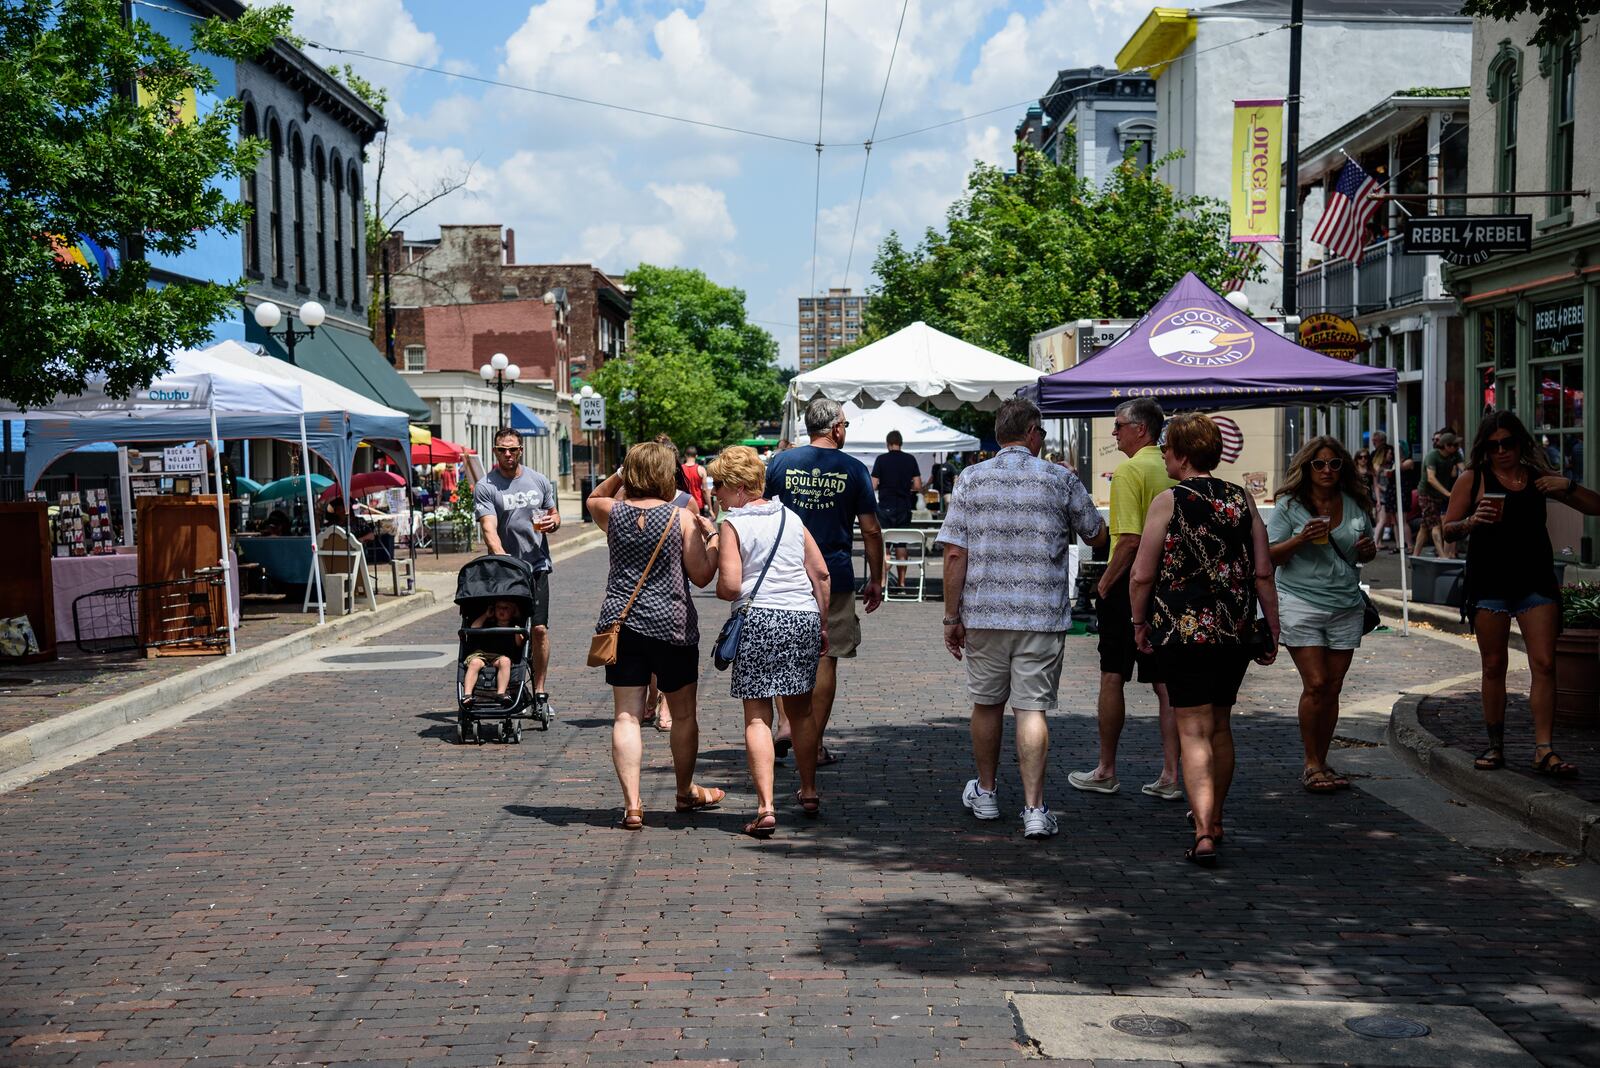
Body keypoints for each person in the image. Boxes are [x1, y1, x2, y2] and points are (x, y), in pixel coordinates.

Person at [939, 398, 1107, 840]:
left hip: (985, 612)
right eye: (1043, 433)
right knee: (1031, 710)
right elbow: (1097, 533)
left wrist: (950, 616)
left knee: (986, 704)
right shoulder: (1058, 478)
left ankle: (988, 793)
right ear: (1033, 432)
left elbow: (955, 552)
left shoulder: (970, 480)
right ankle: (1034, 809)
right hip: (1041, 614)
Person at [1130, 413, 1279, 866]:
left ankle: (1201, 830)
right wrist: (1272, 626)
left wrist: (1138, 622)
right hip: (1232, 631)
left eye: (1168, 449)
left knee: (1192, 728)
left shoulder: (1169, 501)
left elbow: (1142, 573)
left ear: (1183, 454)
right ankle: (1216, 820)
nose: (1165, 456)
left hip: (1182, 630)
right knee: (1220, 725)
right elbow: (1263, 570)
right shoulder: (1241, 500)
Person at [1443, 411, 1600, 779]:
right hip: (1489, 582)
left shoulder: (1538, 478)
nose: (1501, 451)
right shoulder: (1473, 478)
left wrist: (1568, 486)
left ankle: (1544, 749)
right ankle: (1495, 744)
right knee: (1494, 665)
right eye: (1493, 445)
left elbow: (1595, 507)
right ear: (1485, 448)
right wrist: (1470, 522)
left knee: (1544, 664)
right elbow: (1447, 530)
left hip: (1535, 580)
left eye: (1508, 443)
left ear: (1520, 443)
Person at [588, 442, 723, 829]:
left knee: (626, 717)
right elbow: (701, 575)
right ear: (667, 475)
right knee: (682, 716)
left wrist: (621, 470)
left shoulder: (612, 513)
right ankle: (683, 792)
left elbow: (595, 495)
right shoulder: (681, 517)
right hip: (672, 626)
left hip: (623, 625)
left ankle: (632, 806)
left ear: (630, 474)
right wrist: (711, 539)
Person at [709, 446, 832, 837]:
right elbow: (822, 574)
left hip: (761, 618)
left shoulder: (733, 524)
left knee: (759, 716)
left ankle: (765, 807)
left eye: (721, 486)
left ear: (741, 489)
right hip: (801, 617)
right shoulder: (790, 517)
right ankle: (809, 791)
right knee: (801, 713)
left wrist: (715, 549)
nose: (716, 493)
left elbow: (729, 587)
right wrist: (823, 623)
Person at [1069, 398, 1182, 801]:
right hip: (1170, 586)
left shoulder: (1131, 470)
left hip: (1131, 583)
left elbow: (1130, 541)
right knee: (1166, 685)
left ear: (1141, 429)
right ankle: (1170, 774)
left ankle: (1106, 768)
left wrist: (1104, 584)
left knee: (1113, 674)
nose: (1114, 432)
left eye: (1119, 425)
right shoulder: (1174, 469)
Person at [765, 398, 884, 767]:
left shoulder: (781, 463)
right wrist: (877, 578)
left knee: (784, 655)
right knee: (825, 658)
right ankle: (812, 745)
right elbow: (870, 529)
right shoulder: (853, 469)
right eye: (845, 425)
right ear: (835, 429)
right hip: (833, 575)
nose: (845, 430)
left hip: (784, 573)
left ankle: (787, 724)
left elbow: (763, 512)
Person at [1267, 436, 1377, 793]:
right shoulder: (1290, 506)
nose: (1327, 470)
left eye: (1334, 464)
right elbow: (1269, 556)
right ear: (1307, 468)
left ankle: (1323, 759)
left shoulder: (1355, 504)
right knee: (1315, 684)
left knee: (1332, 688)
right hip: (1300, 601)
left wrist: (1368, 549)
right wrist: (1299, 539)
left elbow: (1362, 555)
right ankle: (1311, 763)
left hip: (1345, 604)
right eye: (1319, 464)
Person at [476, 428, 561, 721]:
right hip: (506, 571)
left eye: (512, 449)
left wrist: (554, 522)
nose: (507, 455)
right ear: (495, 451)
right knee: (508, 631)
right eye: (502, 450)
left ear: (521, 450)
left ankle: (539, 692)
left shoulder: (538, 480)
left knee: (538, 630)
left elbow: (553, 513)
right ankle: (507, 686)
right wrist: (506, 562)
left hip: (537, 566)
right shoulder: (486, 486)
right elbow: (489, 530)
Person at [871, 430, 923, 588]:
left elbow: (873, 485)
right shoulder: (910, 459)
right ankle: (901, 583)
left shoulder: (881, 459)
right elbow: (918, 485)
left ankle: (883, 582)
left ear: (888, 444)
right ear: (901, 443)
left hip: (885, 507)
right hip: (903, 508)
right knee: (901, 545)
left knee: (884, 546)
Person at [462, 599, 526, 705]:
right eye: (498, 607)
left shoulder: (515, 626)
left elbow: (519, 644)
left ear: (513, 611)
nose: (502, 610)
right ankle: (467, 695)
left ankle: (501, 693)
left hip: (500, 655)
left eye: (506, 608)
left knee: (505, 661)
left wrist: (518, 632)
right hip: (483, 653)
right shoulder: (488, 622)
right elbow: (474, 628)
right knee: (474, 663)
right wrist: (486, 615)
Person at [1415, 431, 1460, 558]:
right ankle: (1443, 556)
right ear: (1446, 446)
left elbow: (1465, 469)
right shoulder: (1432, 456)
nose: (1457, 448)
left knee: (1424, 526)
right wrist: (1448, 493)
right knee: (1435, 524)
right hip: (1426, 494)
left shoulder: (1455, 455)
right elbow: (1431, 478)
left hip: (1439, 496)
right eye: (1455, 445)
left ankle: (1415, 556)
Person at [681, 445, 708, 515]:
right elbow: (705, 490)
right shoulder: (701, 469)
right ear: (696, 456)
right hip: (698, 504)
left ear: (685, 455)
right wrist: (710, 508)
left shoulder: (679, 470)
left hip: (684, 504)